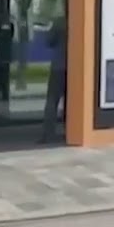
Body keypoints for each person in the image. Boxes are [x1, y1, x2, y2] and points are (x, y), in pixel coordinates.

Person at [39, 15, 67, 144]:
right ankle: (72, 130)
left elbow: (49, 41)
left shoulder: (59, 22)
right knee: (74, 102)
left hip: (59, 66)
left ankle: (48, 134)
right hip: (78, 68)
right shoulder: (82, 19)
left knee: (52, 100)